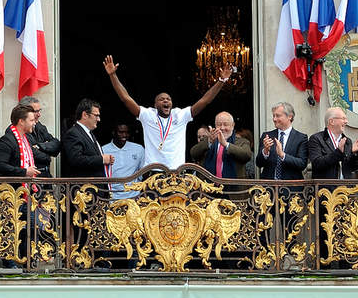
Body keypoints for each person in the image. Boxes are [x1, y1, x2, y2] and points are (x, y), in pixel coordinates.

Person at [102, 54, 232, 170]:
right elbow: (126, 99)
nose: (166, 101)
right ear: (155, 105)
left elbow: (204, 101)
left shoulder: (180, 115)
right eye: (162, 99)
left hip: (177, 172)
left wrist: (221, 81)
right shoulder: (148, 115)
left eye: (168, 99)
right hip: (153, 172)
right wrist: (113, 75)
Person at [252, 101, 306, 181]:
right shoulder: (267, 136)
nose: (274, 119)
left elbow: (302, 164)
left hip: (291, 189)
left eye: (278, 116)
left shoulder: (301, 138)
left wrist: (282, 155)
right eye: (273, 116)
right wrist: (265, 151)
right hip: (269, 189)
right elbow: (259, 164)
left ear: (290, 117)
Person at [190, 111, 251, 179]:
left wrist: (225, 144)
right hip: (209, 187)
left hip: (234, 187)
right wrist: (209, 141)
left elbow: (247, 155)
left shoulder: (242, 142)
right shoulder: (208, 140)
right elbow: (193, 153)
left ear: (233, 125)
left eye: (225, 124)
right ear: (215, 126)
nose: (222, 128)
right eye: (219, 124)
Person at [62, 98, 113, 178]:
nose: (98, 119)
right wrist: (101, 159)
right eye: (96, 115)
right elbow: (76, 159)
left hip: (96, 186)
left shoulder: (89, 133)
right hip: (84, 188)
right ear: (85, 115)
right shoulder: (73, 133)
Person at [0, 104, 42, 177]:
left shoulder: (27, 138)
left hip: (26, 186)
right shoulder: (6, 141)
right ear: (21, 121)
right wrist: (24, 172)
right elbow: (0, 166)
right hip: (10, 187)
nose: (34, 123)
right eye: (31, 120)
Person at [21, 95, 62, 177]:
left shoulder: (40, 126)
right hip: (31, 179)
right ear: (24, 112)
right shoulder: (19, 130)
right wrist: (48, 156)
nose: (39, 115)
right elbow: (32, 153)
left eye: (39, 111)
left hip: (46, 176)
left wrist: (40, 146)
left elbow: (57, 144)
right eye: (35, 111)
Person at [103, 123, 145, 199]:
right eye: (121, 132)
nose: (124, 135)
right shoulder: (103, 150)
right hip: (112, 197)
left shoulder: (138, 149)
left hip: (134, 196)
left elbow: (143, 172)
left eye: (127, 132)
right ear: (113, 132)